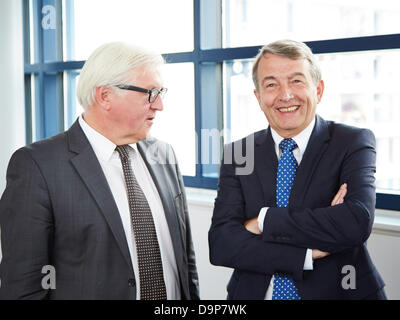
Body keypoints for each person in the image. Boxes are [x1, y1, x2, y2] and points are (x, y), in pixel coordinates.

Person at [0, 42, 199, 300]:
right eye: (150, 93)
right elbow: (23, 286)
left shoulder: (164, 154)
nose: (159, 105)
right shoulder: (37, 166)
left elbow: (185, 260)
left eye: (161, 92)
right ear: (105, 96)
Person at [209, 39, 386, 300]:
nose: (285, 95)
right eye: (271, 85)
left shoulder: (352, 142)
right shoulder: (239, 152)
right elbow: (222, 244)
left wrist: (262, 221)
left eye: (296, 81)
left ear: (319, 89)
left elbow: (355, 222)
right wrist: (306, 253)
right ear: (258, 97)